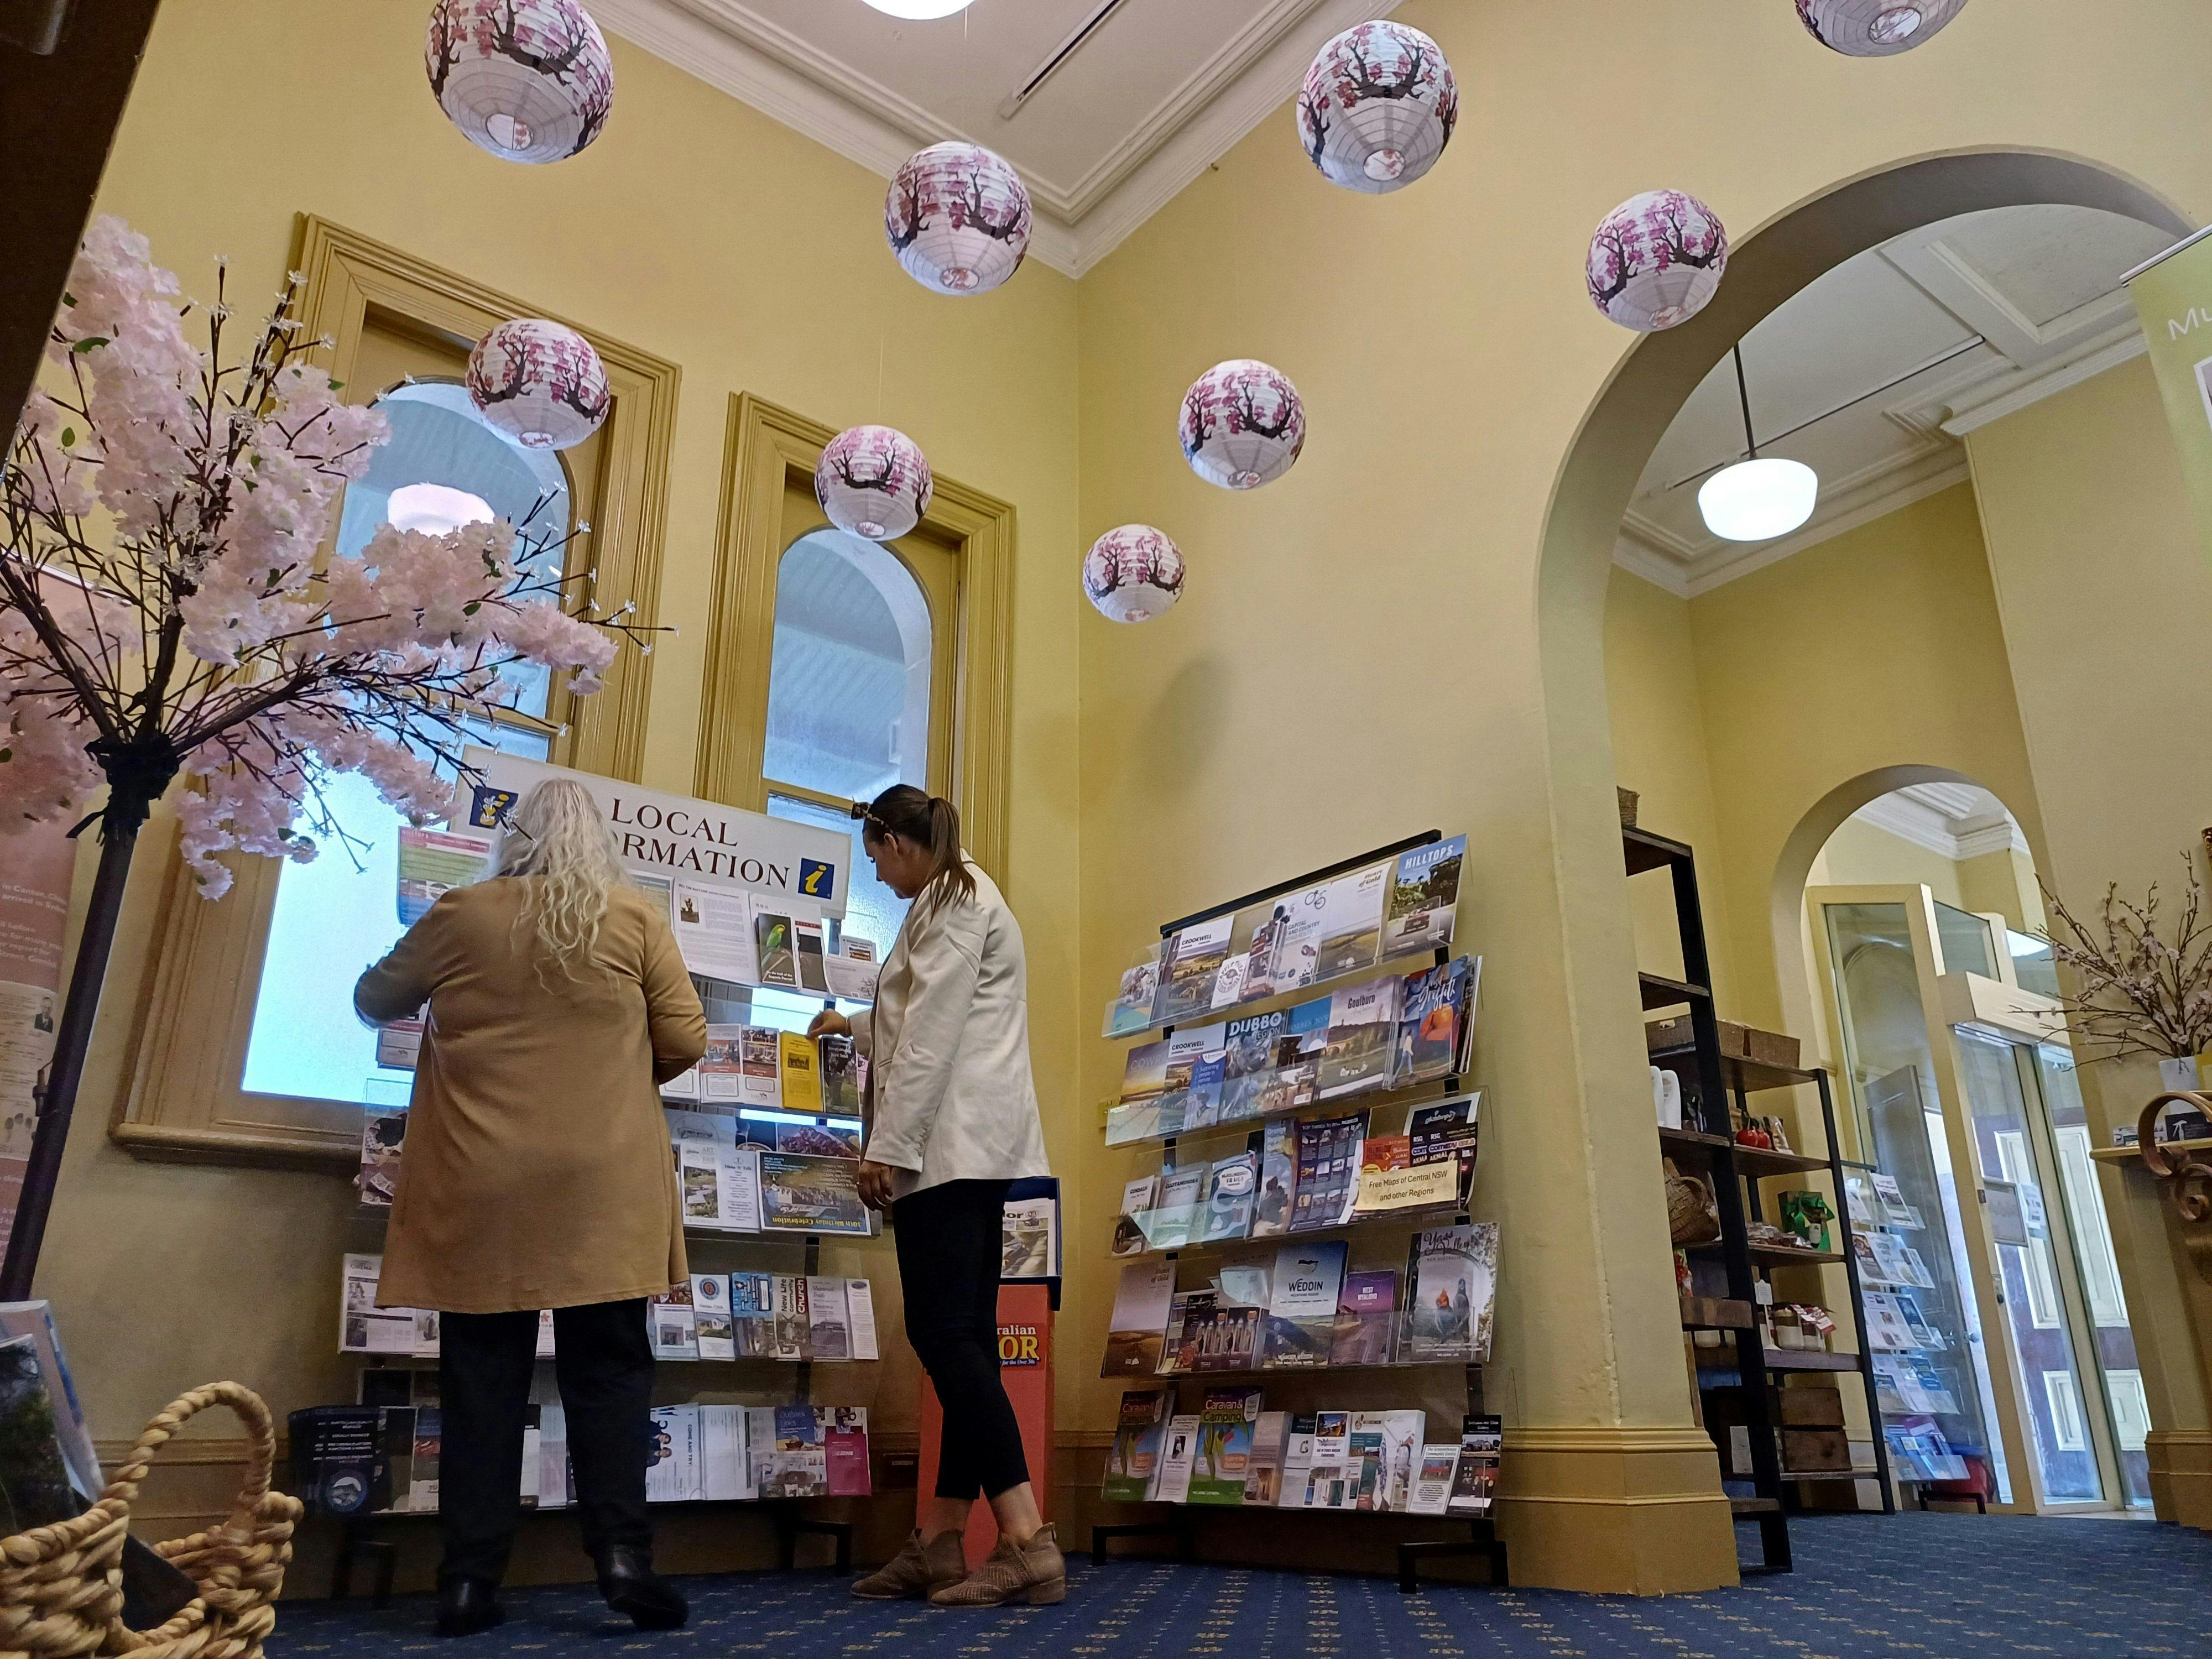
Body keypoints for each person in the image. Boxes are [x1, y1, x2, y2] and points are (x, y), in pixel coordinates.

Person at [354, 780, 706, 1639]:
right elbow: (686, 1038)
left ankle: (468, 1582)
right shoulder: (633, 919)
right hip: (604, 1185)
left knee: (482, 1383)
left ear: (511, 842)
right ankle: (623, 1562)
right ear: (601, 846)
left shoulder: (462, 914)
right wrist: (617, 1073)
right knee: (610, 1375)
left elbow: (374, 1000)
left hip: (483, 1181)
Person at [809, 785, 1058, 1609]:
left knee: (945, 1336)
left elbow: (933, 1035)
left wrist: (888, 1146)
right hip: (969, 1148)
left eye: (877, 858)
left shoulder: (953, 901)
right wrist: (854, 1027)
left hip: (949, 1150)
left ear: (897, 841)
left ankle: (1026, 1539)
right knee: (966, 1346)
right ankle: (941, 1539)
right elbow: (924, 1015)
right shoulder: (957, 896)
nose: (879, 877)